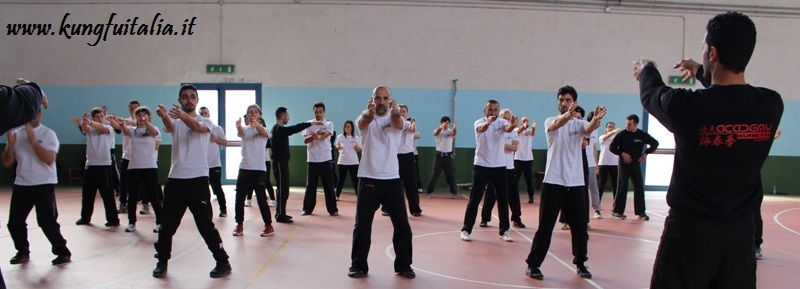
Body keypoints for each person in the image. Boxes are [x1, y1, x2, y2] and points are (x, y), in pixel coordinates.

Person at [635, 12, 782, 288]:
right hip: (740, 240)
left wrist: (647, 69)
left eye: (704, 47)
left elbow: (651, 94)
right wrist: (703, 72)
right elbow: (729, 101)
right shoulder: (771, 105)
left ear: (712, 52)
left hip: (689, 236)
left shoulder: (686, 106)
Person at [525, 85, 605, 280]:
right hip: (553, 182)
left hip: (576, 183)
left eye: (568, 100)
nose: (564, 103)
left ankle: (581, 263)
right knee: (546, 226)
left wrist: (595, 120)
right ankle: (533, 264)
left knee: (579, 227)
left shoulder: (578, 125)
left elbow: (588, 128)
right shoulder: (550, 121)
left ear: (574, 102)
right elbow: (556, 125)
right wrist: (568, 115)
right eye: (561, 100)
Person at [152, 84, 231, 278]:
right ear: (180, 100)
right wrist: (164, 116)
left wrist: (181, 116)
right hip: (176, 179)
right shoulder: (176, 121)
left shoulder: (206, 121)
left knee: (205, 225)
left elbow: (196, 127)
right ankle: (162, 261)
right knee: (167, 225)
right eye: (185, 97)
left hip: (198, 180)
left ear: (197, 100)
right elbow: (170, 127)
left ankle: (223, 261)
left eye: (192, 97)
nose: (189, 100)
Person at [348, 85, 414, 279]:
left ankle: (404, 265)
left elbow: (397, 121)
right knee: (362, 225)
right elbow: (363, 121)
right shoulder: (365, 118)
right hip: (368, 177)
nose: (381, 102)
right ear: (373, 100)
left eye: (385, 98)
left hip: (392, 179)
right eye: (378, 98)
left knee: (402, 225)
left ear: (390, 100)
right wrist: (368, 113)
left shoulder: (397, 118)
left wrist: (395, 111)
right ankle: (358, 265)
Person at [2, 111, 71, 266]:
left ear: (39, 114)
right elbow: (7, 162)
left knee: (47, 221)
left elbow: (49, 159)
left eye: (32, 113)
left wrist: (33, 141)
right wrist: (11, 146)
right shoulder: (16, 134)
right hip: (22, 184)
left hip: (44, 184)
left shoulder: (48, 134)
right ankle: (22, 251)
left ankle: (62, 251)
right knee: (14, 222)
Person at [460, 100, 517, 242]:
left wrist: (512, 125)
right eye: (490, 110)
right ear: (484, 111)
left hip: (499, 166)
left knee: (503, 199)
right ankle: (466, 230)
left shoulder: (502, 122)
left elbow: (508, 129)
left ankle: (504, 231)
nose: (493, 112)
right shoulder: (478, 122)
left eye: (495, 110)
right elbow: (482, 129)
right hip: (481, 165)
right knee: (475, 199)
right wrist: (488, 123)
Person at [108, 107, 164, 233]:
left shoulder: (153, 130)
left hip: (150, 167)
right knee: (132, 196)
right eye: (139, 114)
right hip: (134, 167)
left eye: (144, 114)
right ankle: (131, 222)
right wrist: (121, 124)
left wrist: (146, 121)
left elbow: (153, 133)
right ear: (135, 117)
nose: (142, 116)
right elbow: (126, 131)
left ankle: (160, 222)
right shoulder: (133, 131)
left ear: (149, 117)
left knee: (152, 195)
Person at [232, 105, 275, 237]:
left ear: (259, 115)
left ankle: (269, 225)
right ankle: (239, 224)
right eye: (250, 112)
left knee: (261, 198)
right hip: (244, 167)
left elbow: (263, 133)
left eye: (255, 112)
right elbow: (240, 133)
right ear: (247, 115)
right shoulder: (245, 130)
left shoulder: (265, 129)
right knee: (239, 197)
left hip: (259, 169)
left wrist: (256, 125)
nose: (253, 114)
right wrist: (238, 126)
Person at [479, 108, 526, 229]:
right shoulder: (496, 130)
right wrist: (505, 146)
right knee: (491, 195)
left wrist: (503, 146)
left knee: (513, 194)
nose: (507, 121)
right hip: (496, 166)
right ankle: (485, 218)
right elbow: (492, 145)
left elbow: (515, 148)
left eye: (509, 119)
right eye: (505, 118)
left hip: (509, 167)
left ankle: (516, 218)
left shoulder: (514, 132)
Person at [74, 108, 121, 227]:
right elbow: (85, 129)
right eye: (97, 117)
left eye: (102, 116)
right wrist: (84, 121)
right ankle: (85, 217)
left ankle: (113, 219)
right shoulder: (90, 129)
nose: (100, 119)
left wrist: (89, 122)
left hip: (104, 166)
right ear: (93, 117)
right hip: (90, 165)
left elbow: (102, 128)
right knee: (87, 194)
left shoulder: (109, 128)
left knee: (107, 194)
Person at [609, 114, 658, 220]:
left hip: (635, 164)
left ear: (636, 124)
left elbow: (655, 143)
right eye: (626, 124)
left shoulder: (641, 135)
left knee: (639, 186)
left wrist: (646, 153)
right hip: (624, 164)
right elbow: (612, 147)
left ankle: (641, 212)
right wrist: (622, 153)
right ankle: (617, 211)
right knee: (622, 187)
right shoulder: (621, 135)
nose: (627, 126)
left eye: (630, 124)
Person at [271, 107, 313, 223]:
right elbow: (294, 129)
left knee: (284, 188)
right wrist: (309, 124)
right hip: (279, 163)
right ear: (283, 116)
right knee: (281, 188)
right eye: (287, 116)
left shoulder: (281, 129)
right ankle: (279, 214)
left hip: (283, 162)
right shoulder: (278, 129)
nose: (288, 118)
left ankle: (282, 213)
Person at [301, 102, 338, 216]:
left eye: (320, 112)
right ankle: (307, 209)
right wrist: (313, 136)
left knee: (328, 185)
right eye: (316, 112)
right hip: (312, 160)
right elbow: (305, 140)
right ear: (313, 112)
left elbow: (326, 135)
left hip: (326, 159)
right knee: (310, 186)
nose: (318, 114)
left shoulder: (329, 123)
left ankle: (333, 210)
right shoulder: (308, 124)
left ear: (324, 112)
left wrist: (318, 136)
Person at [199, 107, 229, 216]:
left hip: (214, 164)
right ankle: (205, 212)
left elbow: (225, 143)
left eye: (205, 113)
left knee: (217, 187)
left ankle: (223, 209)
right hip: (201, 165)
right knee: (203, 190)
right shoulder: (197, 129)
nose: (204, 115)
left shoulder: (217, 129)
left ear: (209, 114)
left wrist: (216, 140)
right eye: (201, 114)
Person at [396, 105, 422, 216]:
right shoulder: (392, 124)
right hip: (394, 156)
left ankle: (415, 209)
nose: (402, 113)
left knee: (411, 184)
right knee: (393, 185)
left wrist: (413, 124)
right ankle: (388, 208)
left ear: (407, 113)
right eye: (399, 111)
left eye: (404, 111)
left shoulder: (408, 124)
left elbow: (412, 129)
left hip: (407, 157)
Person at [425, 116, 458, 198]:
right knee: (435, 174)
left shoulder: (450, 131)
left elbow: (454, 133)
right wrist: (441, 127)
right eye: (444, 122)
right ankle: (429, 192)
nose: (446, 124)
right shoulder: (438, 131)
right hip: (439, 155)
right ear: (441, 122)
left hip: (448, 156)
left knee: (451, 175)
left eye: (447, 122)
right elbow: (435, 133)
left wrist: (454, 128)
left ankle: (454, 192)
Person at [597, 121, 621, 210]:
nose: (610, 128)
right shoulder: (602, 137)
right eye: (609, 127)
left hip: (614, 164)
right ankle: (597, 204)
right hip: (604, 163)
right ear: (606, 128)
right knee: (602, 184)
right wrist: (613, 132)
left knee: (615, 184)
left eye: (612, 127)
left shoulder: (617, 139)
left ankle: (616, 205)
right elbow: (606, 137)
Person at [335, 120, 361, 200]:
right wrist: (338, 147)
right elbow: (337, 145)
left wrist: (357, 148)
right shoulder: (340, 137)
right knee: (341, 179)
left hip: (353, 162)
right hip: (342, 161)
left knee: (355, 180)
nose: (346, 128)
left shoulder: (356, 138)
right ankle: (336, 195)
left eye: (348, 126)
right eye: (345, 126)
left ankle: (359, 196)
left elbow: (360, 149)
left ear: (352, 128)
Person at [514, 117, 536, 204]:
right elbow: (519, 131)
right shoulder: (516, 130)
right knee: (515, 179)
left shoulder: (529, 131)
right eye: (524, 121)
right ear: (521, 122)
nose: (526, 122)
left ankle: (531, 197)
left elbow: (533, 133)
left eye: (527, 121)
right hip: (518, 159)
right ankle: (511, 196)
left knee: (529, 180)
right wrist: (524, 125)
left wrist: (534, 127)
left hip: (528, 159)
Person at [584, 112, 601, 220]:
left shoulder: (596, 131)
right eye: (598, 120)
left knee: (594, 187)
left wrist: (596, 163)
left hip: (590, 163)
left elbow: (594, 148)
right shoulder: (584, 128)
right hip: (580, 163)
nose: (599, 123)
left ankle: (597, 209)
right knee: (582, 189)